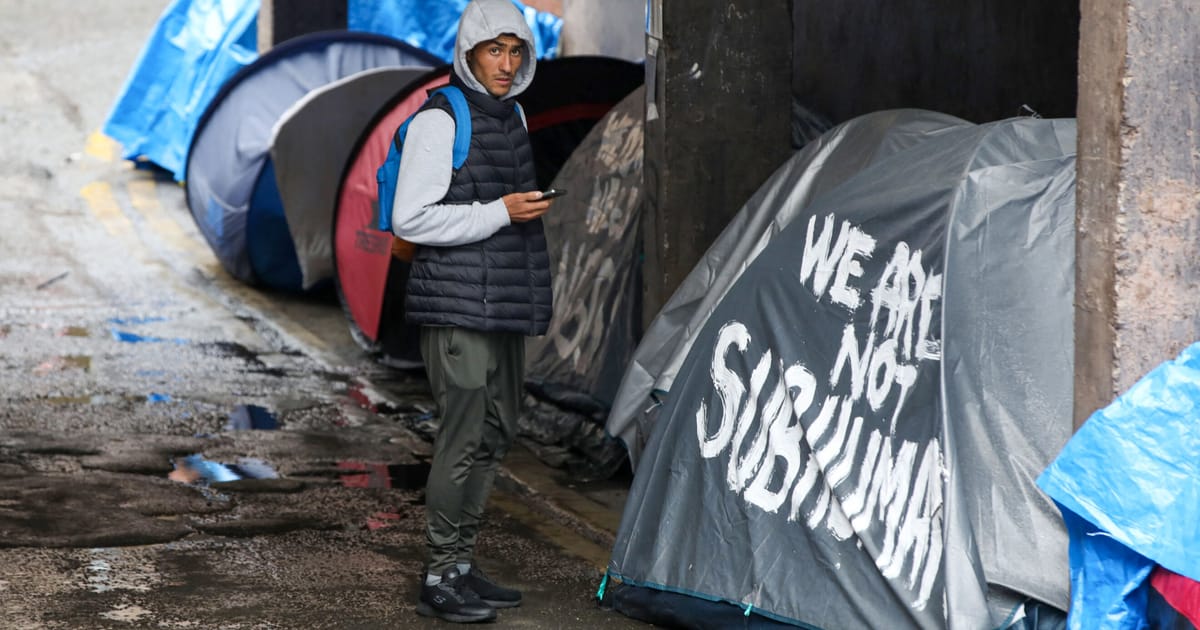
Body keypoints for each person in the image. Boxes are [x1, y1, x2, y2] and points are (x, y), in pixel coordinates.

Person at [388, 0, 554, 623]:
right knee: (460, 441)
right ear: (469, 53)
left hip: (501, 303)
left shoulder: (510, 114)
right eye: (495, 51)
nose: (507, 64)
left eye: (517, 52)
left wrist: (517, 208)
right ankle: (438, 575)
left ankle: (459, 564)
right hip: (457, 308)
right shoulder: (441, 120)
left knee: (495, 432)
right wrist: (500, 212)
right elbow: (410, 218)